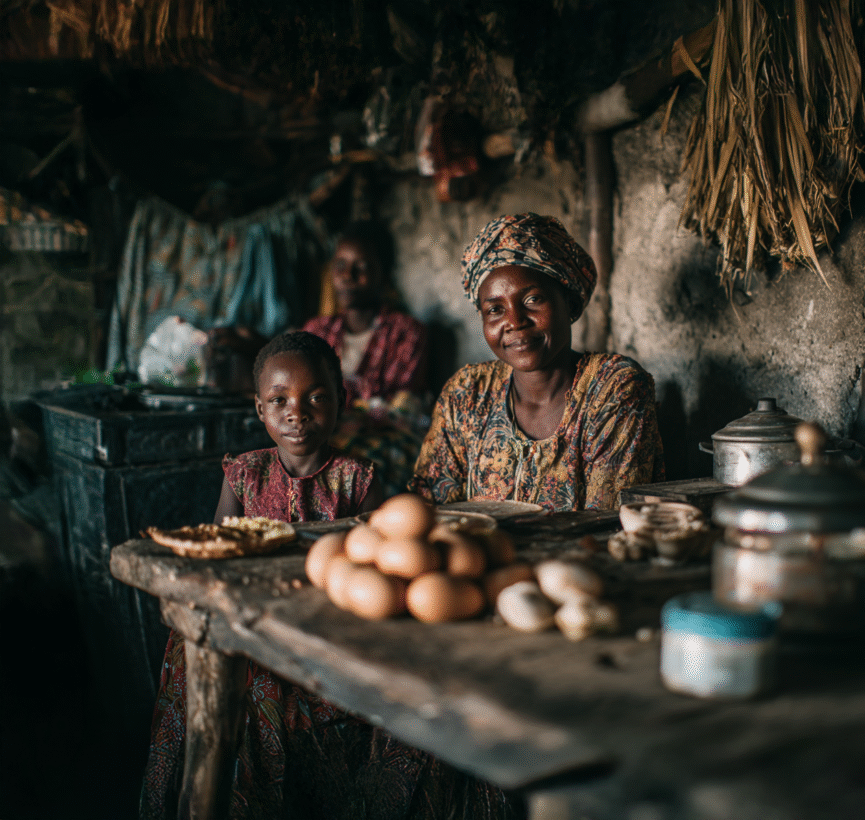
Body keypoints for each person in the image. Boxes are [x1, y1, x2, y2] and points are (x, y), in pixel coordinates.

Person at [141, 331, 519, 820]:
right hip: (260, 613)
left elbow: (383, 552)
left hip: (333, 614)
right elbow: (223, 546)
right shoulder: (243, 474)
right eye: (279, 401)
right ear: (260, 410)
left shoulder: (357, 478)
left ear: (343, 402)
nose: (297, 412)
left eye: (316, 398)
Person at [410, 212, 665, 511]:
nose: (515, 322)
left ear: (568, 302)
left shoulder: (612, 389)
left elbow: (607, 519)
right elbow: (428, 508)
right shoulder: (467, 393)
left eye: (533, 300)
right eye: (495, 309)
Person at [303, 221, 431, 498]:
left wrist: (340, 406)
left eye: (361, 267)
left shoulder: (406, 331)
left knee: (353, 469)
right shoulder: (316, 331)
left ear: (383, 275)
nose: (348, 275)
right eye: (340, 266)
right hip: (324, 431)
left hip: (382, 436)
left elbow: (396, 405)